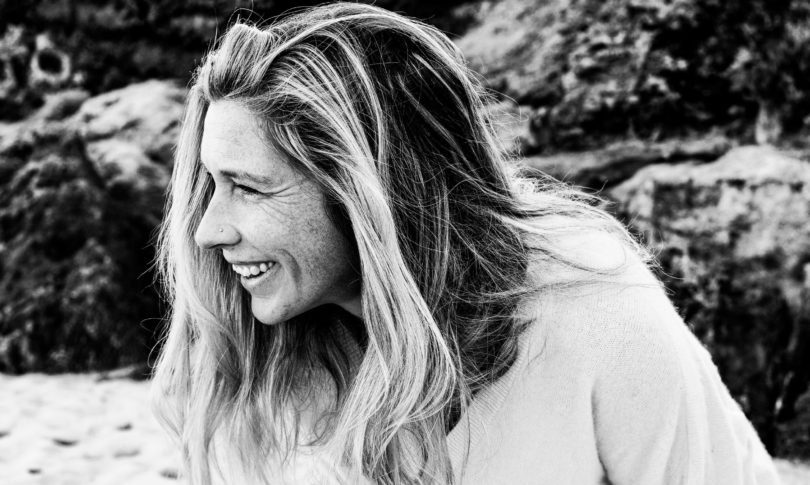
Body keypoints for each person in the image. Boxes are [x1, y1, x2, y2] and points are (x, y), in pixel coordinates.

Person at [150, 3, 783, 484]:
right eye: (211, 184)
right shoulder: (242, 370)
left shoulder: (594, 311)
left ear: (369, 195)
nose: (208, 229)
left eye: (248, 187)